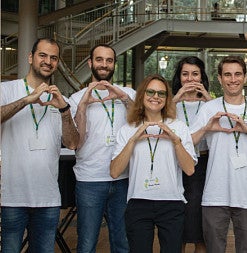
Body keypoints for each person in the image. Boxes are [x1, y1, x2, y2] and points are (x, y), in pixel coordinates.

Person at [0, 38, 79, 252]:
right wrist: (27, 99)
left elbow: (72, 143)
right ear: (30, 58)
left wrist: (64, 110)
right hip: (11, 198)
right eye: (42, 55)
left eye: (53, 58)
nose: (48, 61)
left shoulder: (59, 99)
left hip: (48, 199)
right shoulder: (7, 89)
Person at [190, 56, 247, 253]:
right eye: (227, 74)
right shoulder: (208, 108)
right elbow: (188, 142)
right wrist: (207, 128)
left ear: (245, 77)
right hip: (214, 195)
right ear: (219, 78)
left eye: (237, 74)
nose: (232, 79)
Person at [110, 74, 196, 252]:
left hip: (172, 202)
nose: (155, 97)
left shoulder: (179, 127)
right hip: (138, 202)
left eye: (161, 93)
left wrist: (175, 140)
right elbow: (114, 171)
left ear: (167, 99)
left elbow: (189, 170)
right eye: (150, 92)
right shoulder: (127, 129)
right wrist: (133, 140)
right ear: (142, 95)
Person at [68, 44, 135, 253]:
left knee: (122, 242)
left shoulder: (128, 93)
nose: (104, 65)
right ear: (90, 63)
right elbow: (75, 141)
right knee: (87, 243)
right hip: (90, 180)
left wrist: (123, 98)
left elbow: (140, 122)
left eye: (109, 60)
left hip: (123, 178)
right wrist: (83, 106)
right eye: (99, 60)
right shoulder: (76, 99)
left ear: (114, 64)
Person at [172, 56, 212, 253]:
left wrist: (208, 98)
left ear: (201, 77)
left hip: (203, 166)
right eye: (185, 74)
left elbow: (223, 121)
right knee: (176, 221)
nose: (190, 78)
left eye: (195, 74)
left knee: (199, 223)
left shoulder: (209, 103)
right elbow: (159, 116)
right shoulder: (172, 103)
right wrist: (177, 97)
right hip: (175, 165)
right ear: (179, 78)